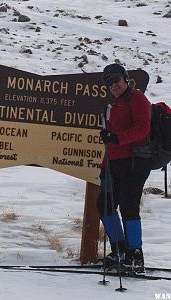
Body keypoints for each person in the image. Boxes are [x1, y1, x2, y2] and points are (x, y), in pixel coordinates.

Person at [97, 63, 152, 274]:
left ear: (126, 79)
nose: (113, 85)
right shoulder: (115, 105)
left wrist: (117, 137)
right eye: (109, 83)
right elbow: (111, 141)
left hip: (135, 162)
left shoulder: (137, 98)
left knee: (129, 206)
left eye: (116, 80)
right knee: (104, 205)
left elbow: (143, 128)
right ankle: (119, 249)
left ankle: (135, 255)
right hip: (114, 163)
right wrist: (104, 165)